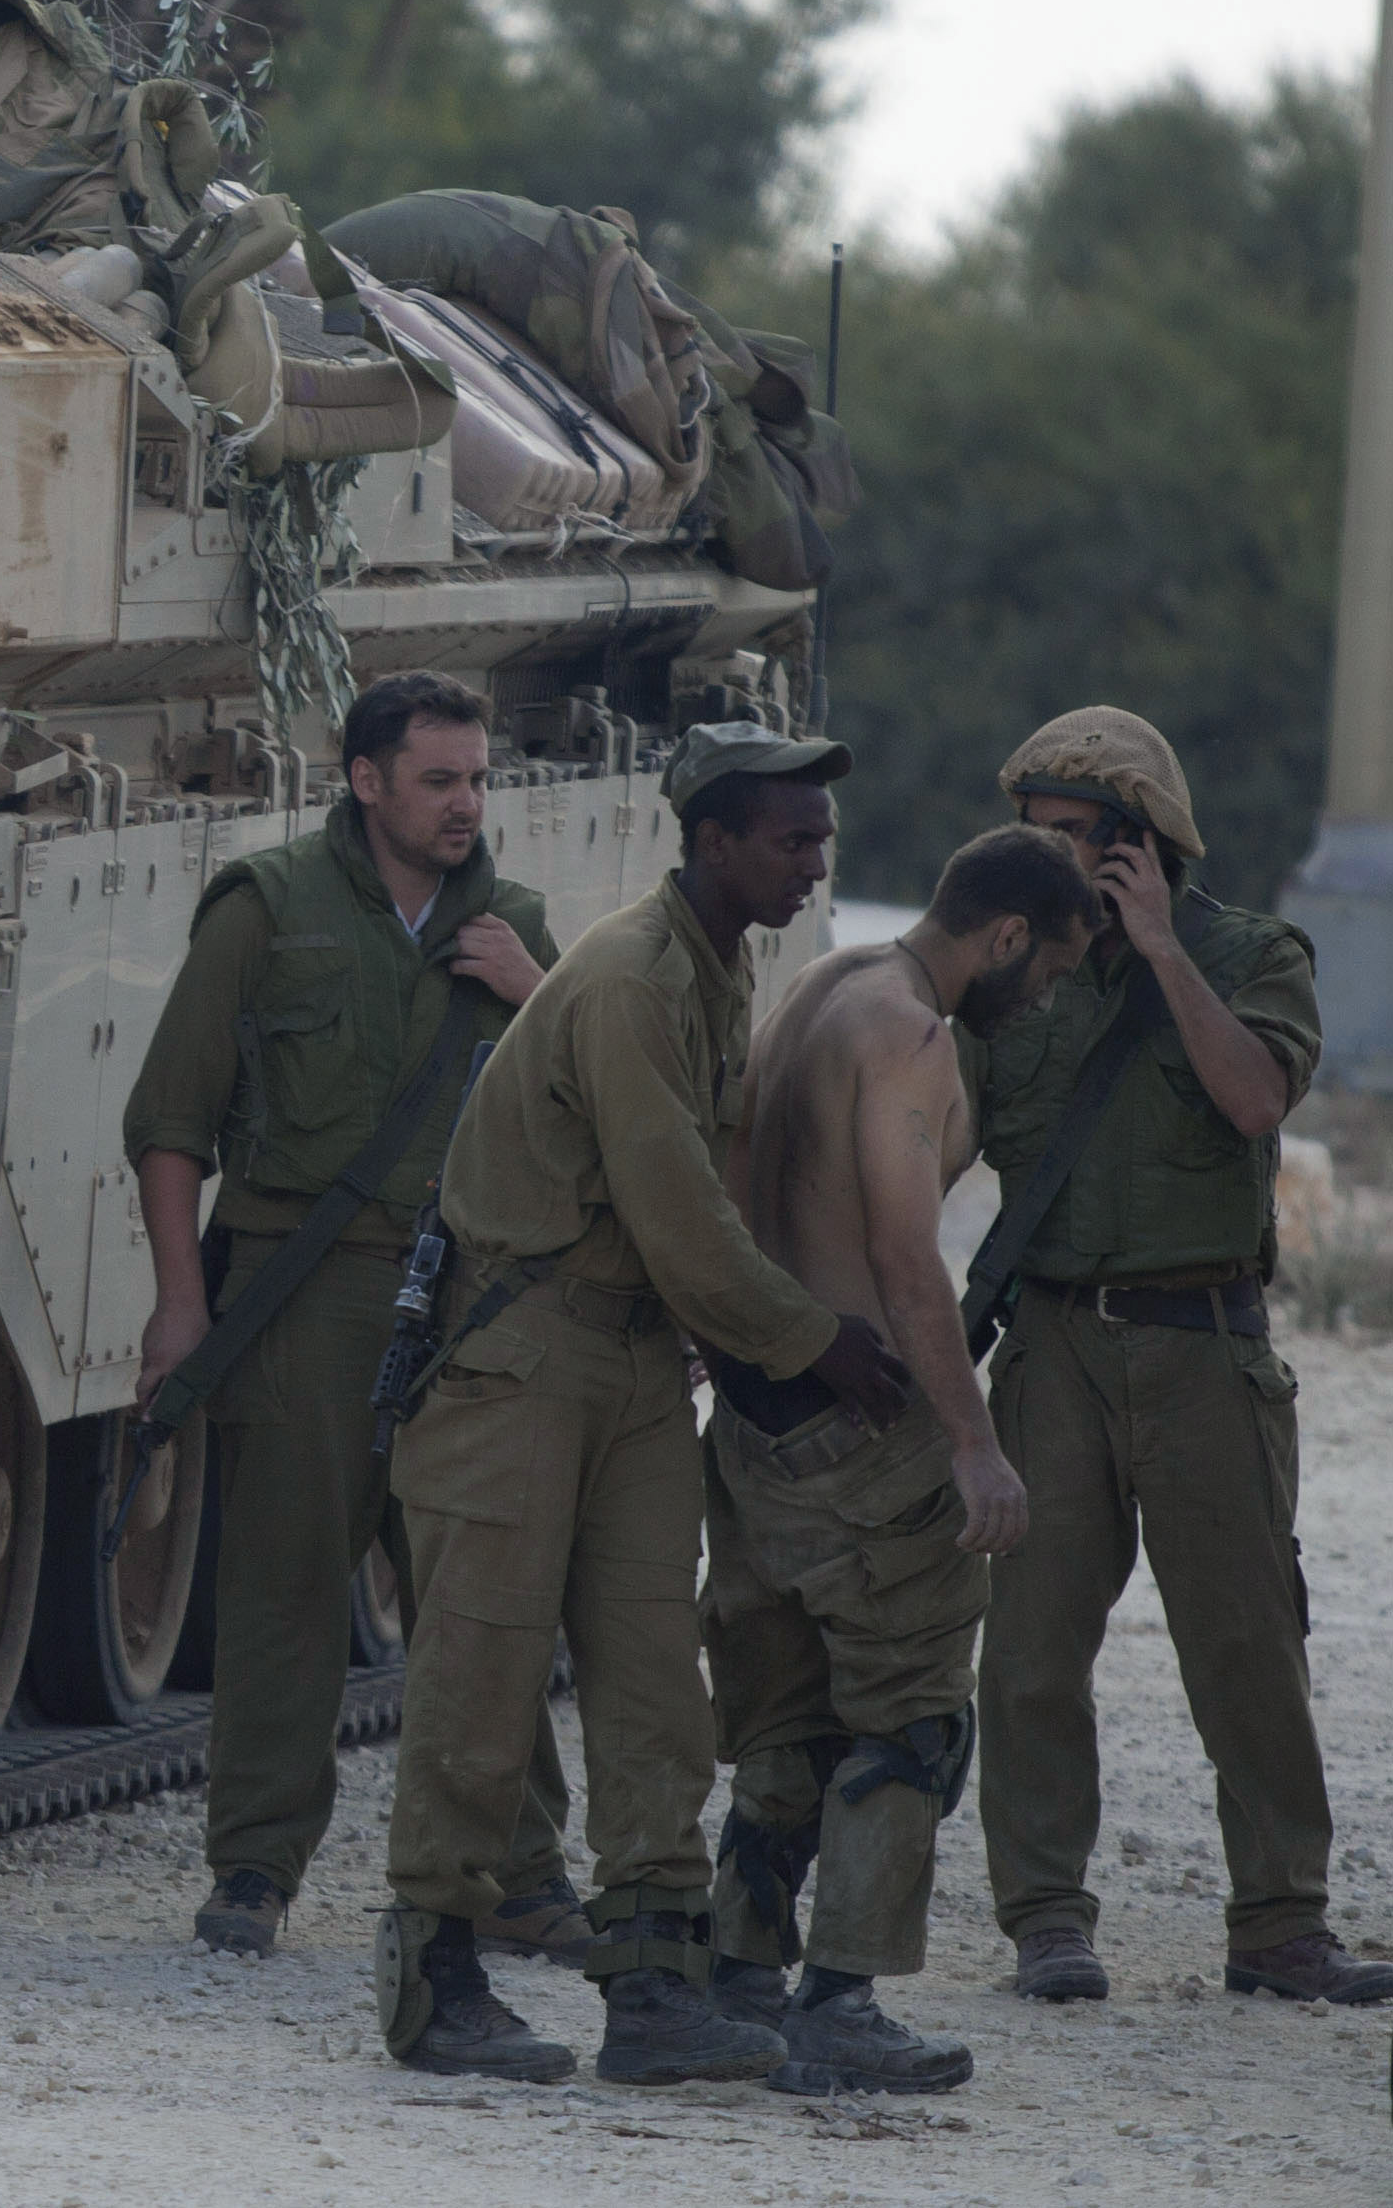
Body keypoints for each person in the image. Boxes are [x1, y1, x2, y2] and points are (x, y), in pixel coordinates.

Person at [373, 722, 917, 2088]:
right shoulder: (626, 979)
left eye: (819, 840)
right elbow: (676, 1213)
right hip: (524, 1360)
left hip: (618, 1362)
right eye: (790, 838)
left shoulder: (707, 966)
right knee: (480, 1673)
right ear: (716, 839)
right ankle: (430, 1976)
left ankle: (654, 1984)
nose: (814, 863)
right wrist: (814, 1345)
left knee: (648, 1683)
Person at [122, 670, 582, 1964]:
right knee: (282, 1589)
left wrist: (535, 988)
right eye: (435, 780)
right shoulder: (263, 911)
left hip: (466, 1293)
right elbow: (168, 1124)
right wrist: (175, 1306)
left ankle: (519, 1871)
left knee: (480, 1595)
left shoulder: (515, 924)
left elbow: (602, 1116)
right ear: (364, 781)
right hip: (301, 1294)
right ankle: (254, 1871)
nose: (463, 804)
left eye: (477, 779)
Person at [970, 708, 1393, 2005]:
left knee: (1243, 1647)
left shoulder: (1247, 957)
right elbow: (931, 1126)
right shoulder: (1008, 977)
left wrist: (1153, 946)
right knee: (1029, 1647)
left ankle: (1277, 1921)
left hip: (1199, 1345)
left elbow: (1257, 1100)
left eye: (1066, 838)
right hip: (1050, 1345)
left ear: (1136, 844)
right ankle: (1044, 1913)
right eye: (1025, 834)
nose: (1038, 858)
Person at [701, 825, 1097, 2093]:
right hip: (862, 1425)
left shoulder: (824, 982)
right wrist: (973, 1445)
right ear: (1005, 936)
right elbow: (903, 1257)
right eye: (1040, 973)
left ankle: (740, 1971)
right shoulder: (912, 1037)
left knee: (785, 1712)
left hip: (758, 1414)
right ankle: (842, 1997)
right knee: (913, 1710)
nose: (1037, 997)